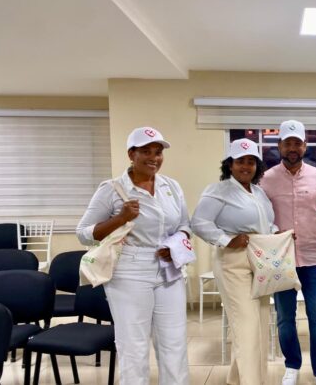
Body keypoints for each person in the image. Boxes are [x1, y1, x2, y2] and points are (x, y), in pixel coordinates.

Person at [77, 127, 191, 385]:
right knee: (134, 346)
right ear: (131, 154)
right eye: (146, 151)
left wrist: (175, 244)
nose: (154, 158)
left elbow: (185, 224)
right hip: (130, 270)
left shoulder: (171, 186)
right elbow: (83, 234)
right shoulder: (112, 189)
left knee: (174, 343)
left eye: (158, 152)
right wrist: (120, 218)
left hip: (169, 268)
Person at [191, 138, 278, 385]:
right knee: (246, 327)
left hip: (260, 260)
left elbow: (267, 224)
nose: (246, 166)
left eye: (251, 161)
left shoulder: (259, 192)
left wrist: (278, 233)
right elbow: (199, 222)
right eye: (240, 161)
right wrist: (226, 240)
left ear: (257, 166)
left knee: (259, 325)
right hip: (233, 262)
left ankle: (238, 379)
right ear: (230, 164)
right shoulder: (218, 190)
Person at [260, 120, 316, 385]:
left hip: (313, 257)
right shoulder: (266, 179)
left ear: (304, 145)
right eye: (287, 143)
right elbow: (260, 215)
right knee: (285, 318)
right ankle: (291, 365)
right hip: (280, 259)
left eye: (297, 143)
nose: (292, 148)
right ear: (279, 145)